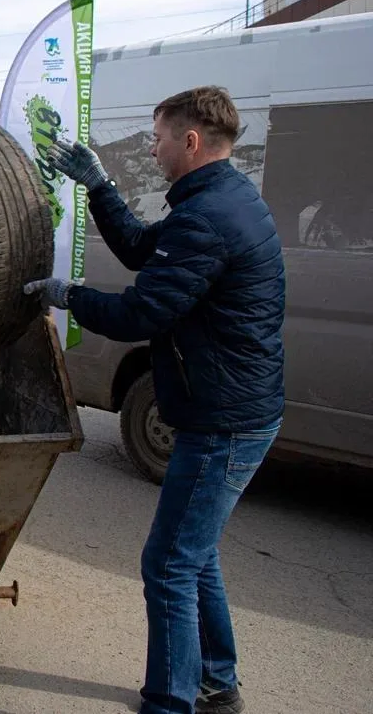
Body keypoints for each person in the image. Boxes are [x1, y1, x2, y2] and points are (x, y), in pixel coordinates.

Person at [24, 86, 285, 714]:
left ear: (190, 141)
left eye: (158, 137)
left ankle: (171, 704)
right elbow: (145, 250)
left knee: (168, 564)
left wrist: (68, 296)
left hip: (223, 421)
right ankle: (215, 681)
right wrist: (99, 187)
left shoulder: (207, 217)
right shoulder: (223, 198)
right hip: (234, 409)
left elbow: (142, 312)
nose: (152, 148)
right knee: (194, 556)